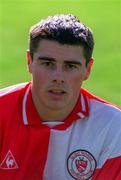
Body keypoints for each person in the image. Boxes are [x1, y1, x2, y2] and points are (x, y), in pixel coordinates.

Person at [0, 14, 121, 180]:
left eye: (70, 66)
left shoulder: (112, 125)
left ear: (88, 69)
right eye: (48, 64)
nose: (58, 77)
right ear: (29, 61)